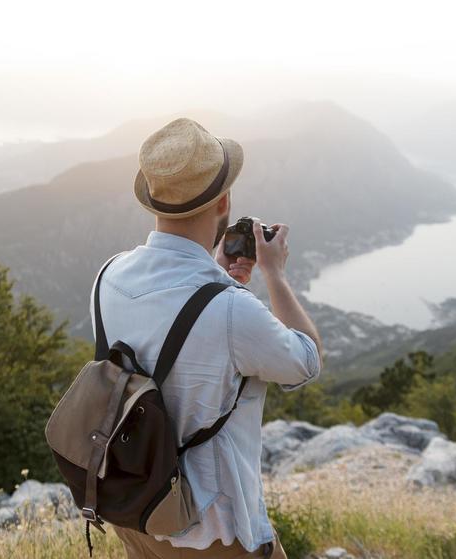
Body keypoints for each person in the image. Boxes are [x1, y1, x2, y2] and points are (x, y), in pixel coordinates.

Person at [90, 117, 323, 558]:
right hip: (211, 531)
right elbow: (306, 361)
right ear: (224, 203)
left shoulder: (109, 275)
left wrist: (215, 274)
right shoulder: (231, 308)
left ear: (154, 201)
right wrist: (273, 275)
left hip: (133, 512)